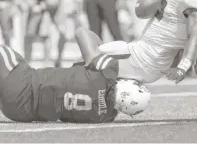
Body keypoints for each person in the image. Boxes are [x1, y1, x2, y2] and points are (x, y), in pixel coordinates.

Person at [0, 44, 151, 123]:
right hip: (21, 114)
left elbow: (81, 33)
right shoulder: (103, 117)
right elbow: (66, 118)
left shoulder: (106, 73)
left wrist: (98, 49)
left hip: (22, 84)